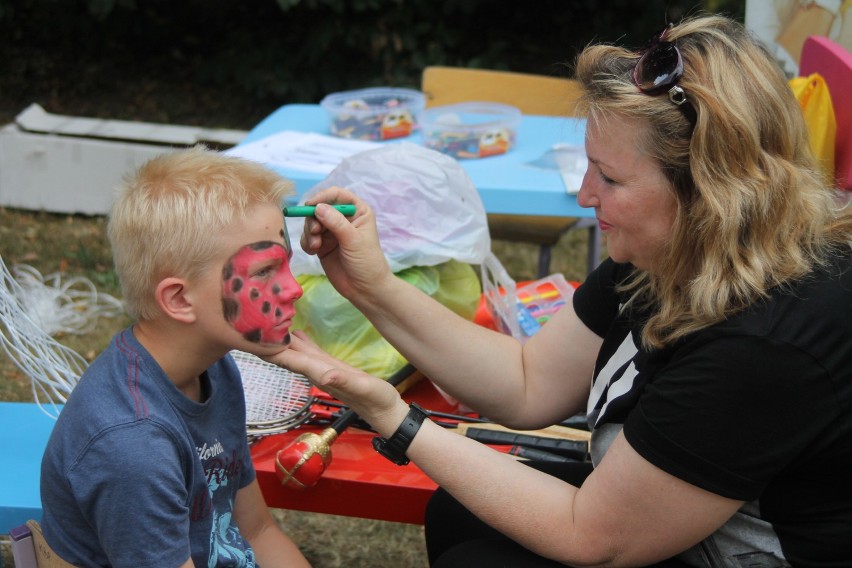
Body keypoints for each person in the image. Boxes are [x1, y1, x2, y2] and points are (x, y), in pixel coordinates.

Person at [266, 14, 852, 568]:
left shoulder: (767, 343)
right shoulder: (673, 249)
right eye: (590, 166)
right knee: (463, 515)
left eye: (612, 177)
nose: (585, 195)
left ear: (711, 191)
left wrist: (393, 414)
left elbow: (591, 536)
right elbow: (528, 382)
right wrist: (370, 286)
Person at [40, 147, 312, 568]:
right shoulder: (132, 446)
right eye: (263, 272)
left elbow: (258, 530)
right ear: (180, 299)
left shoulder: (215, 366)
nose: (294, 288)